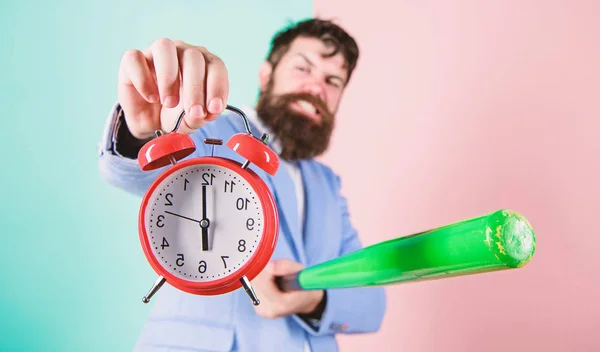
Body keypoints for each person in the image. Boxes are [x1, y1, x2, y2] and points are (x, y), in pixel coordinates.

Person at [97, 18, 386, 352]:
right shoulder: (209, 131)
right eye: (303, 68)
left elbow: (372, 301)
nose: (316, 88)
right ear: (266, 74)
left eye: (332, 80)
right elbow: (143, 172)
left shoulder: (327, 185)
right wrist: (143, 132)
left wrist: (311, 300)